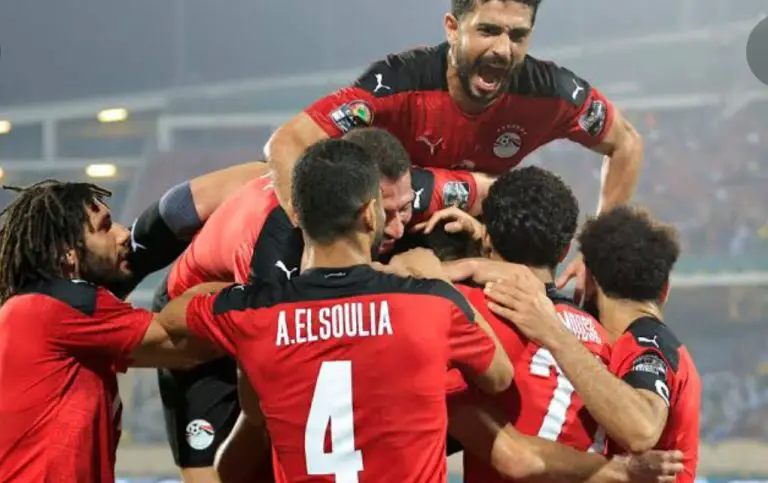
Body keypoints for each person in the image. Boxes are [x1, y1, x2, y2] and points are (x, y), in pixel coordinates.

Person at [154, 138, 513, 482]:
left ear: (296, 213)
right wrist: (439, 278)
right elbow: (499, 377)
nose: (397, 223)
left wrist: (246, 296)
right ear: (369, 213)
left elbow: (174, 311)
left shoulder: (256, 311)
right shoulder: (432, 301)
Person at [265, 0, 644, 301]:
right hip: (384, 233)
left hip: (462, 240)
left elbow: (627, 143)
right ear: (452, 28)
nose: (502, 49)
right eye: (488, 30)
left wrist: (595, 251)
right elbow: (287, 143)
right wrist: (314, 235)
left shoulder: (552, 92)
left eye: (517, 36)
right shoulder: (398, 82)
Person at [0, 180, 225, 482]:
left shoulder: (31, 310)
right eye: (104, 227)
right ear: (67, 253)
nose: (123, 234)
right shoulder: (66, 304)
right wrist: (256, 288)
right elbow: (186, 347)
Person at [485, 206, 701, 482]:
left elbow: (642, 428)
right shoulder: (622, 342)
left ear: (587, 282)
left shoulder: (647, 342)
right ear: (665, 289)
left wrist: (554, 334)